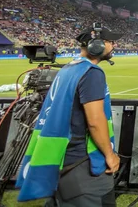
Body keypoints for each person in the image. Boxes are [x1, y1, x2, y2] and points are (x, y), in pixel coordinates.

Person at [16, 23, 123, 207]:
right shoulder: (92, 73)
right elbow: (95, 122)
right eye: (110, 41)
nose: (114, 46)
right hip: (84, 167)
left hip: (63, 160)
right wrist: (110, 154)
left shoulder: (68, 68)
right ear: (95, 45)